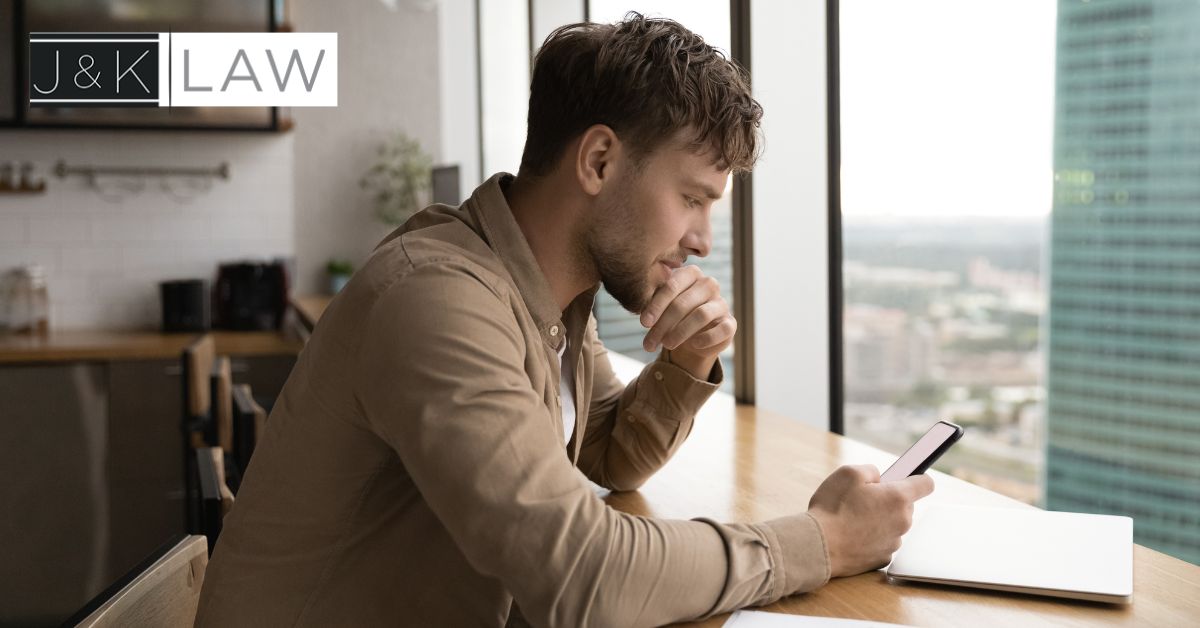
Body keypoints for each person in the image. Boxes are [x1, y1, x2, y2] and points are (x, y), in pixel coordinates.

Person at [195, 13, 933, 627]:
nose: (704, 239)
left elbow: (605, 453)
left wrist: (685, 362)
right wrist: (823, 543)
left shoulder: (547, 291)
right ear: (600, 161)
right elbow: (585, 576)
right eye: (694, 197)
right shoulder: (438, 299)